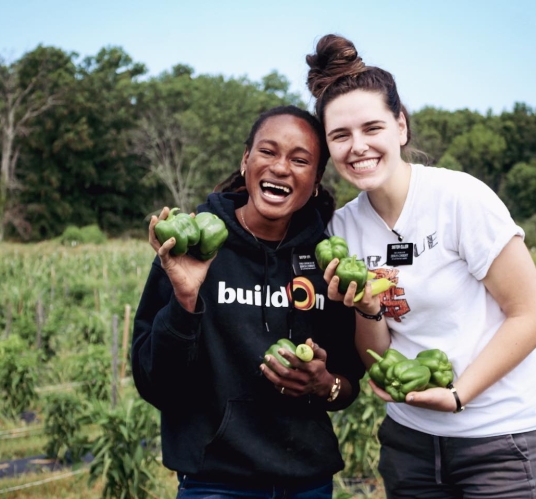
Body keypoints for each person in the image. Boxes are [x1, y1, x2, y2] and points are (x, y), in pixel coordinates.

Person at [305, 34, 536, 498]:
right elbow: (377, 350)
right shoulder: (344, 229)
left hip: (502, 436)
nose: (357, 147)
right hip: (411, 442)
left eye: (371, 128)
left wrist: (460, 395)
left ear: (400, 125)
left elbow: (533, 315)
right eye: (340, 136)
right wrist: (367, 309)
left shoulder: (459, 199)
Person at [131, 105, 365, 499]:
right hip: (215, 483)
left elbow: (348, 386)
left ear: (315, 178)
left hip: (308, 482)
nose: (280, 167)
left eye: (300, 159)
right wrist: (185, 300)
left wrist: (324, 384)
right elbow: (155, 383)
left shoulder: (328, 260)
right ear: (246, 161)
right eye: (268, 152)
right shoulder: (193, 251)